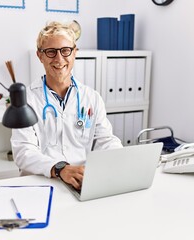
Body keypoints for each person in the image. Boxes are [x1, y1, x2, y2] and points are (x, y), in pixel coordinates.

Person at [11, 21, 123, 190]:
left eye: (65, 51)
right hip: (41, 183)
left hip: (81, 182)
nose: (59, 59)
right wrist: (60, 168)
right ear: (40, 56)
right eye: (50, 52)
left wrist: (120, 156)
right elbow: (23, 152)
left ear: (74, 53)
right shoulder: (26, 100)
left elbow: (105, 140)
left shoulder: (92, 97)